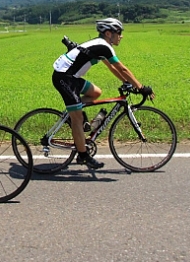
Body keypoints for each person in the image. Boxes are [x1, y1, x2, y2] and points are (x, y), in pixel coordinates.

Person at [52, 17, 153, 170]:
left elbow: (113, 68)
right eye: (119, 32)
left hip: (71, 77)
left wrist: (127, 83)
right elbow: (122, 68)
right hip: (64, 78)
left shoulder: (101, 45)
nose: (121, 36)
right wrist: (140, 87)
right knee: (77, 118)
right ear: (108, 33)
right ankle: (83, 155)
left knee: (96, 92)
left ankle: (78, 116)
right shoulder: (104, 47)